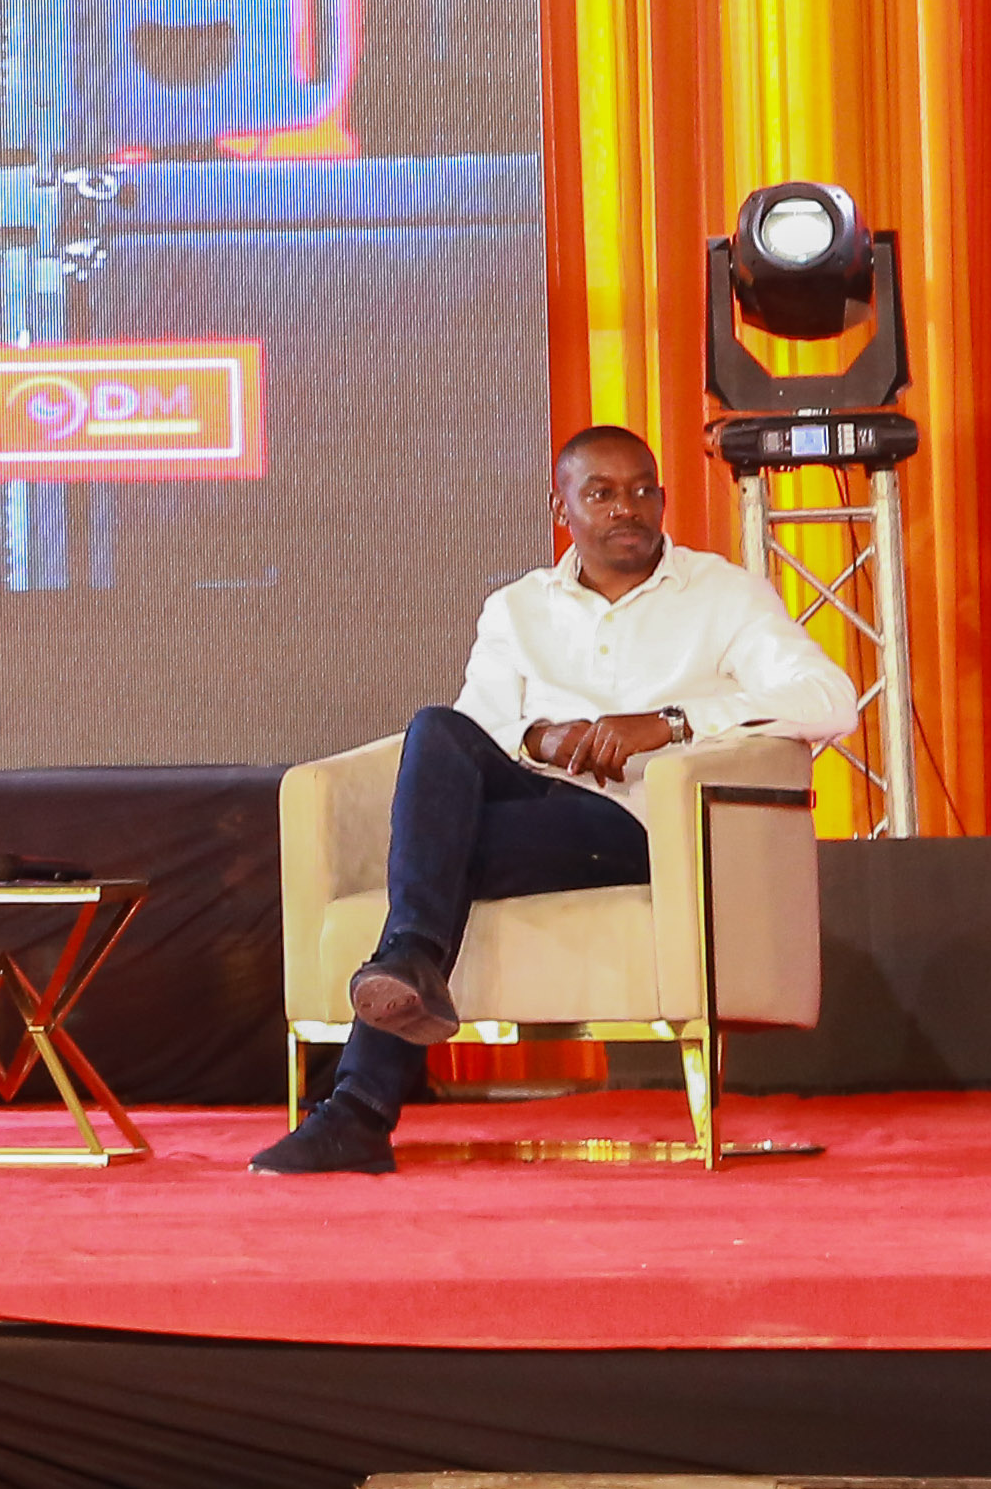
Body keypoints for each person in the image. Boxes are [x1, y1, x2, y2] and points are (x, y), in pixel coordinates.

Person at [253, 425, 858, 1176]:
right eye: (601, 493)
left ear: (663, 500)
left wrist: (670, 723)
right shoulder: (517, 608)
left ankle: (361, 1103)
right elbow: (477, 728)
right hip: (533, 804)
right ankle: (404, 973)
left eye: (642, 490)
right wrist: (540, 737)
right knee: (437, 730)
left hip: (641, 824)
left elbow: (829, 698)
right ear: (561, 508)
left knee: (436, 860)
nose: (626, 508)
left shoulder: (722, 595)